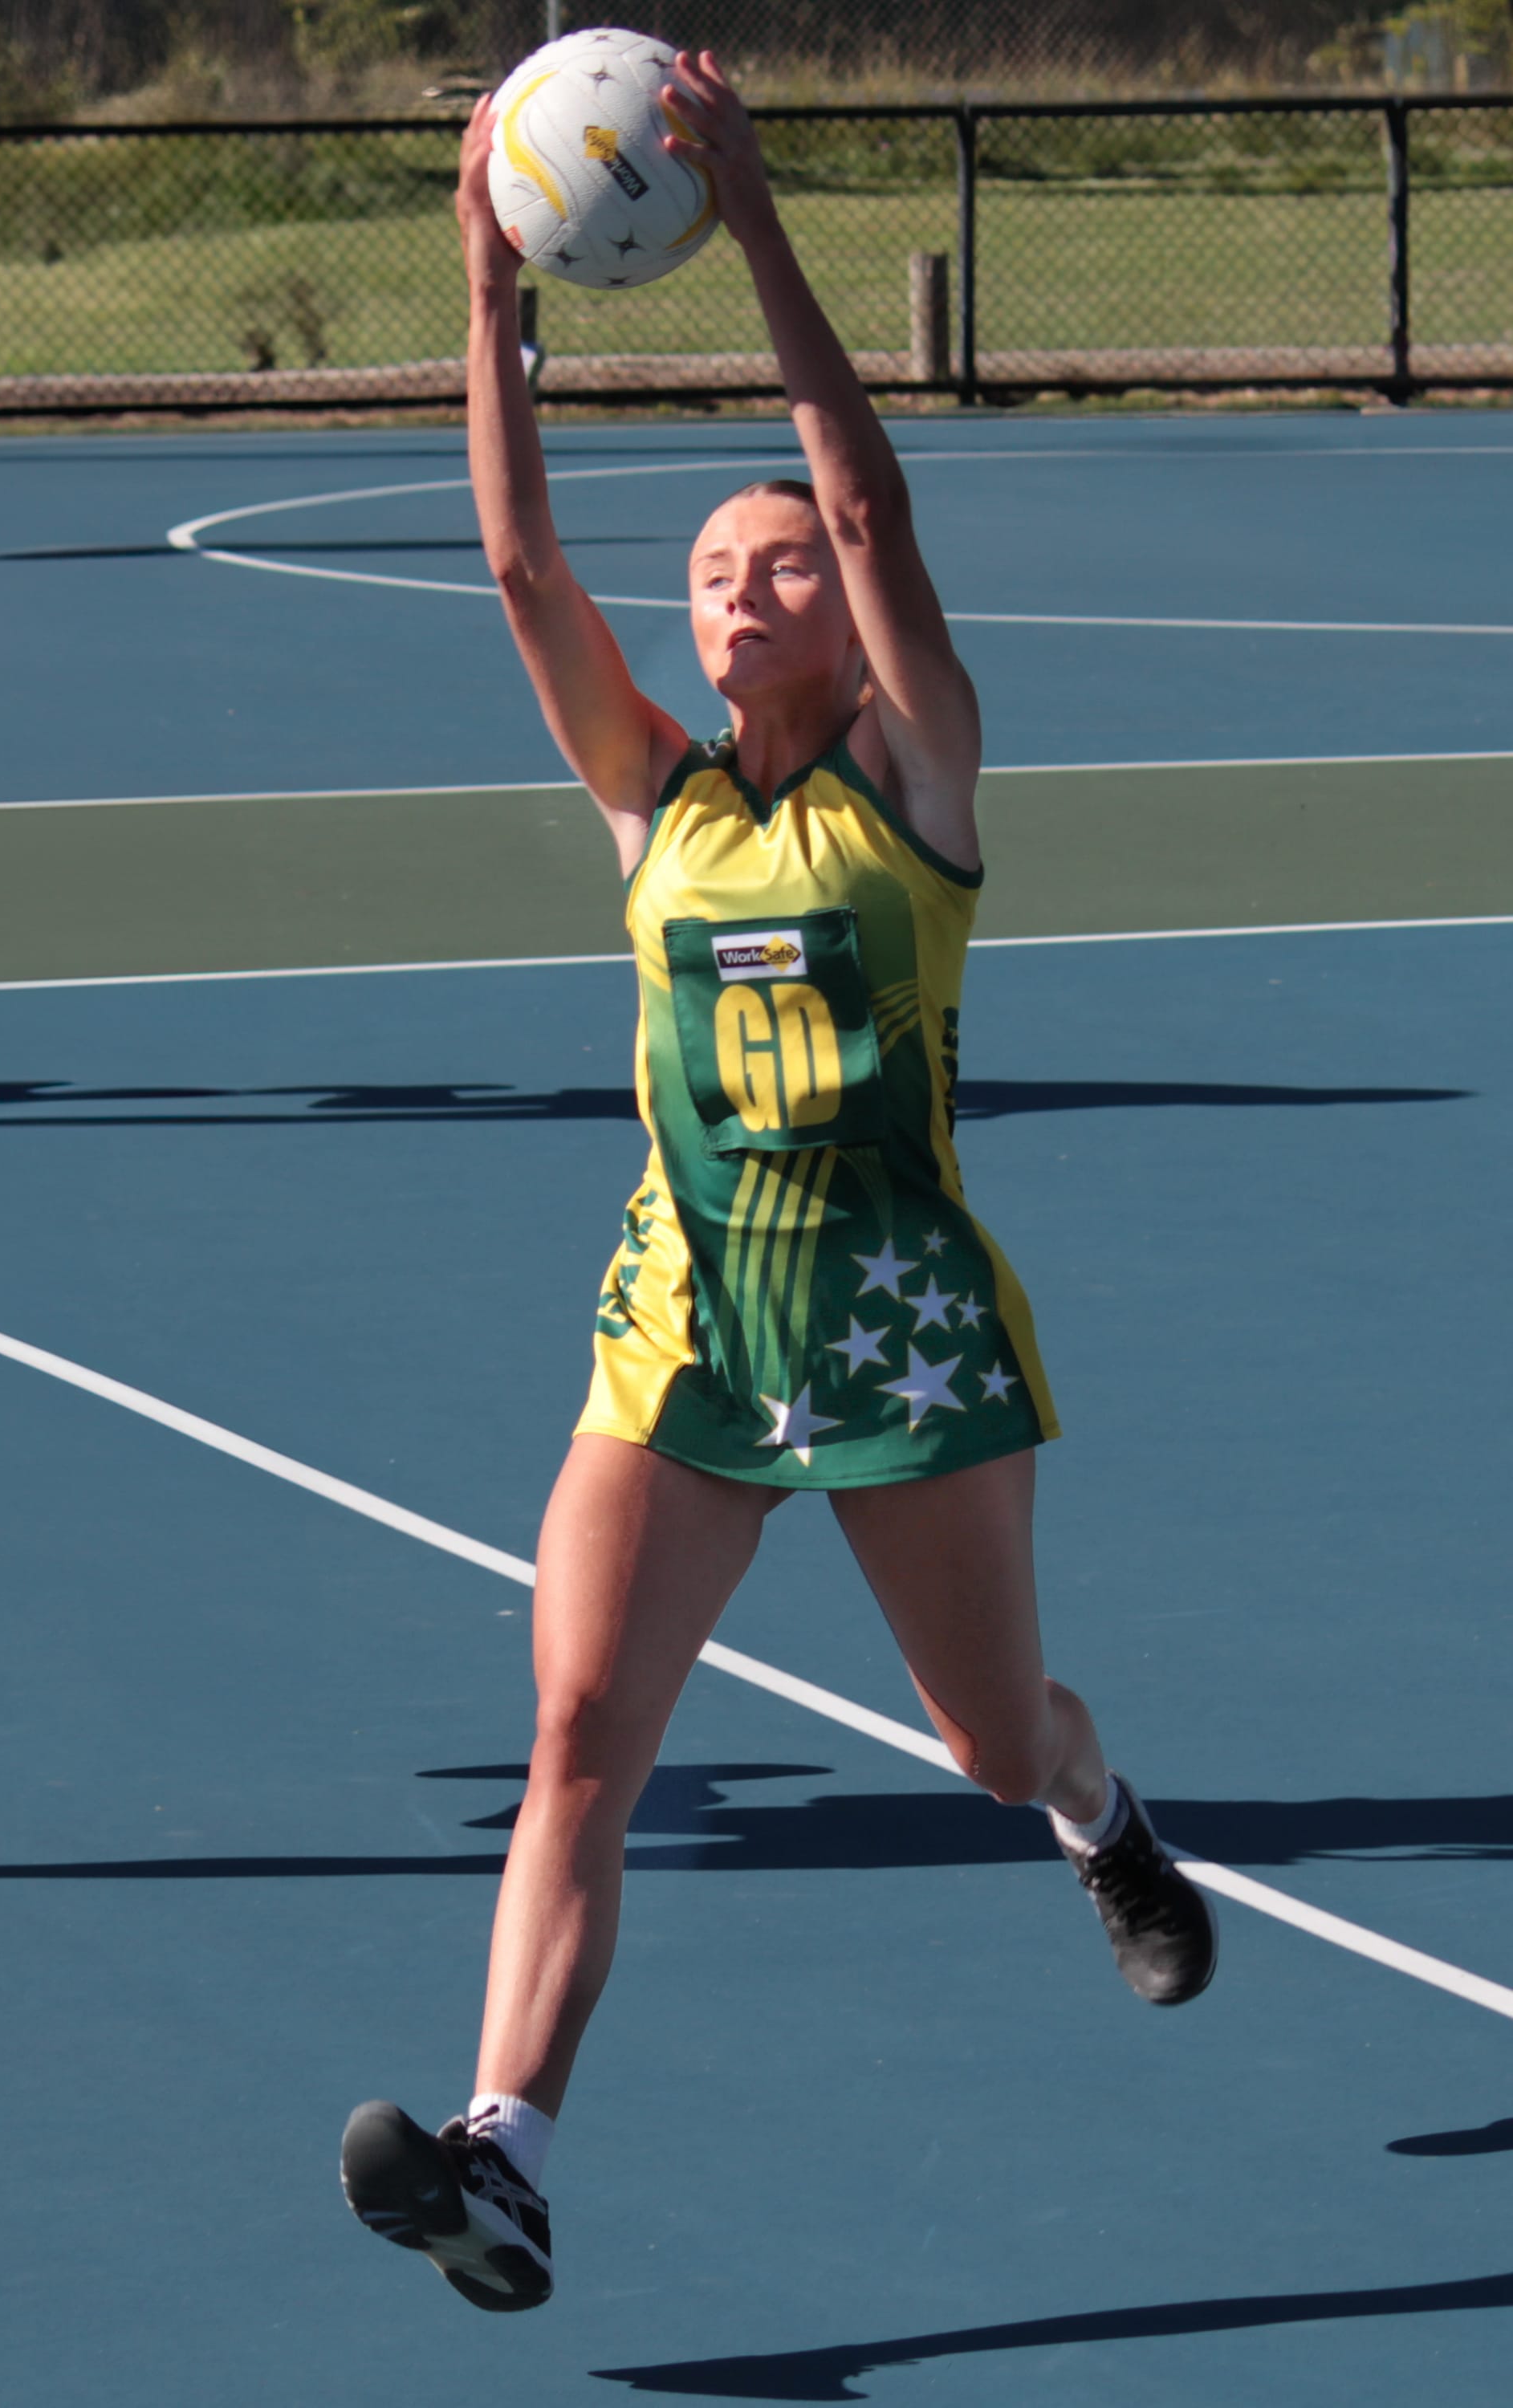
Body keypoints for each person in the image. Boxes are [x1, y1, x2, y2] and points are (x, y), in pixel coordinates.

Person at [340, 52, 1216, 2314]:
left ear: (842, 611)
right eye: (713, 572)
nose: (740, 590)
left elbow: (881, 498)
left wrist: (760, 242)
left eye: (775, 563)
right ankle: (504, 2152)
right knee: (575, 1740)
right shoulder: (661, 807)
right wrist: (485, 288)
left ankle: (1098, 1819)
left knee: (985, 1740)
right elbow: (524, 560)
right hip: (691, 1319)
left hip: (900, 1320)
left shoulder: (922, 783)